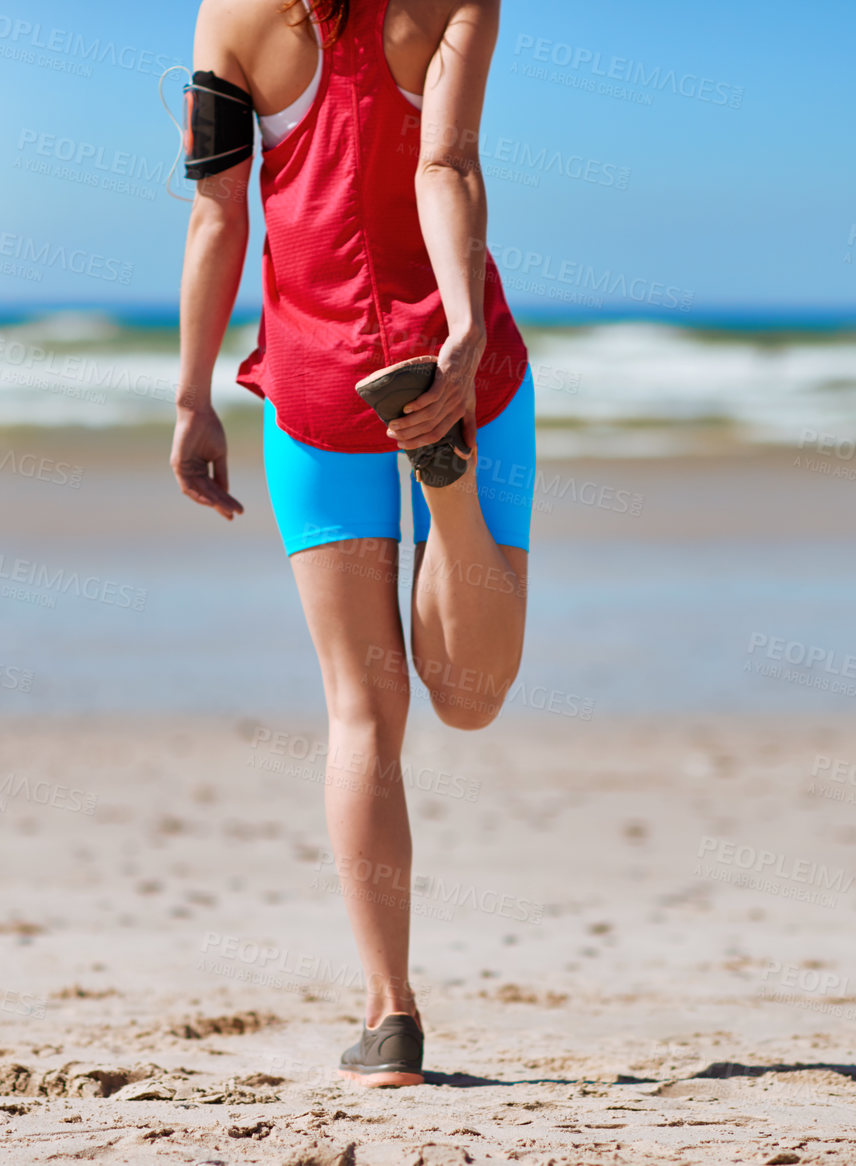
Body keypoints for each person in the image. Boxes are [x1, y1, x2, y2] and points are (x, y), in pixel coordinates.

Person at [170, 0, 534, 1087]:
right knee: (469, 695)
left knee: (360, 709)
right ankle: (450, 484)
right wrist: (461, 332)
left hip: (316, 375)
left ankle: (389, 1017)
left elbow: (217, 217)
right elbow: (448, 161)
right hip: (458, 357)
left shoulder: (228, 15)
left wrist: (193, 396)